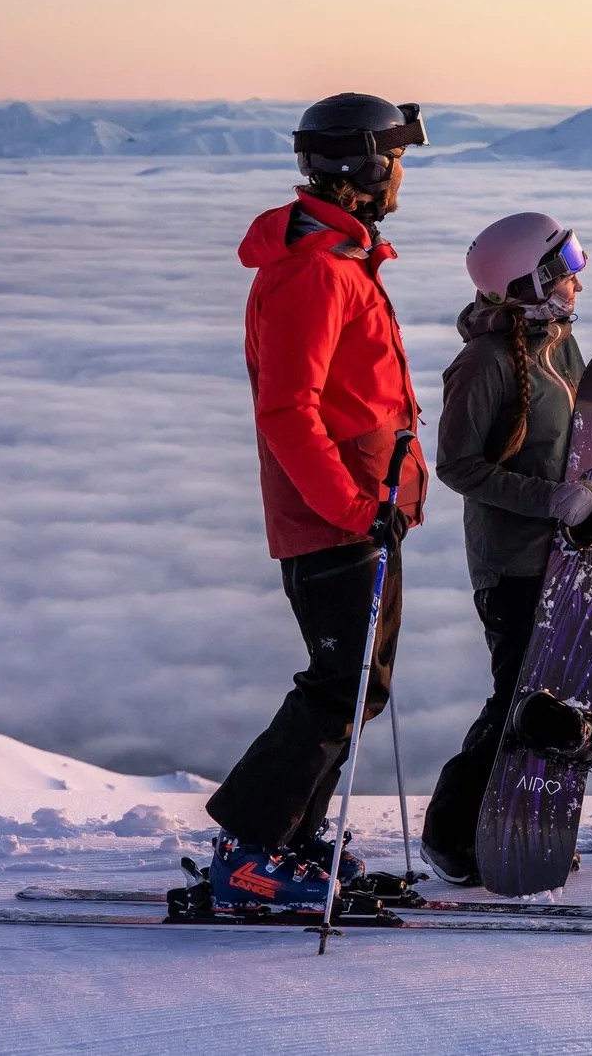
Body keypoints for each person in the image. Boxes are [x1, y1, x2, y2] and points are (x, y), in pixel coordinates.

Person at [204, 92, 431, 911]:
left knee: (358, 688)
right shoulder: (313, 275)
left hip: (366, 510)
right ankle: (252, 851)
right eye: (397, 155)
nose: (404, 170)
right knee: (338, 687)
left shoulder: (342, 263)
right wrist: (350, 504)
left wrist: (384, 497)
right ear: (365, 166)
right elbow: (288, 411)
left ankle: (290, 841)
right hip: (335, 516)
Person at [417, 211, 592, 885]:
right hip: (512, 561)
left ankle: (517, 824)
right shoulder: (482, 363)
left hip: (567, 555)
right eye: (566, 271)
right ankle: (452, 836)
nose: (577, 284)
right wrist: (551, 501)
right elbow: (457, 466)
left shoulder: (559, 343)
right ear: (527, 283)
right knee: (517, 700)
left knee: (550, 699)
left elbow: (584, 434)